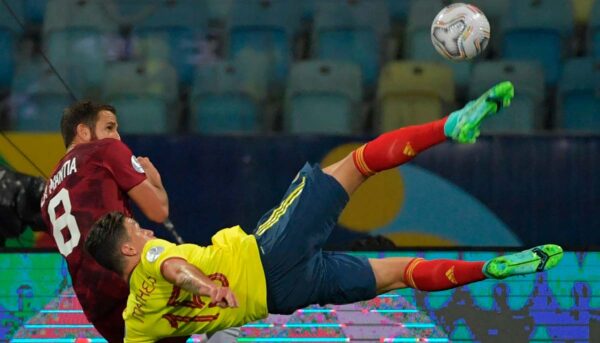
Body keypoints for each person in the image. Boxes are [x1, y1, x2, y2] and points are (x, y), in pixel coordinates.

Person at [85, 81, 564, 342]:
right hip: (269, 253)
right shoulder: (151, 259)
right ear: (127, 248)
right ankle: (451, 126)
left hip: (283, 296)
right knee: (356, 164)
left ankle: (489, 269)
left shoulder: (136, 323)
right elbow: (173, 267)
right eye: (138, 229)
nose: (147, 231)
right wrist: (206, 284)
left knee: (401, 272)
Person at [39, 100, 238, 342]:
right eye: (110, 127)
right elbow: (158, 212)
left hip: (96, 306)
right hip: (133, 282)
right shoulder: (105, 151)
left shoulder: (47, 194)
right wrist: (156, 183)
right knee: (227, 302)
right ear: (83, 131)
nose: (117, 137)